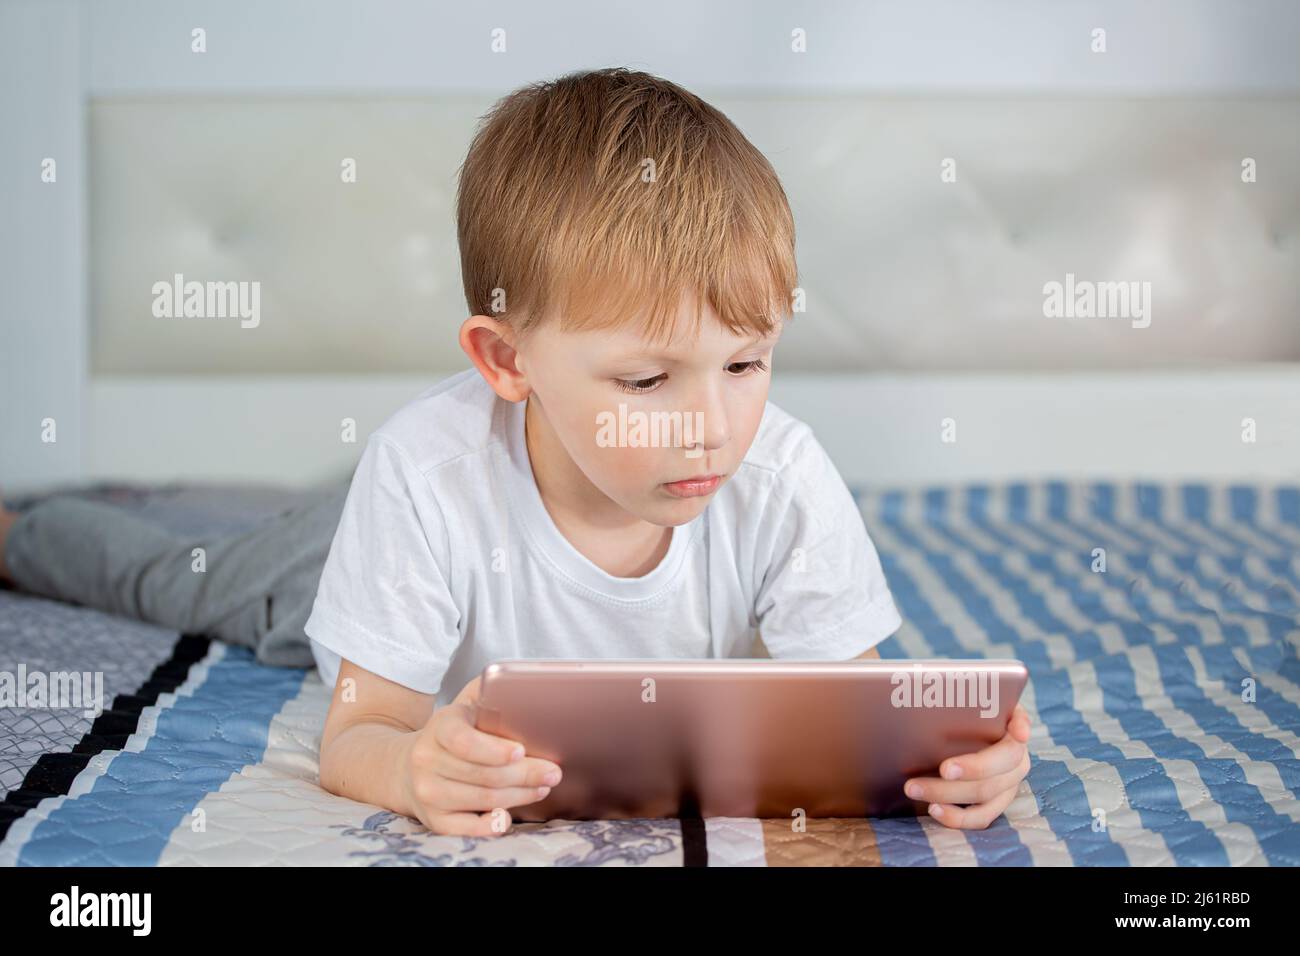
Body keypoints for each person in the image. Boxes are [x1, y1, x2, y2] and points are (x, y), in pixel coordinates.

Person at [0, 67, 1031, 837]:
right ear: (506, 359)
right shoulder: (422, 475)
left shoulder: (780, 477)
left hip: (444, 529)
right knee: (185, 576)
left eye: (746, 363)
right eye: (645, 380)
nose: (711, 425)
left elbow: (863, 712)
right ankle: (24, 528)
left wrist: (951, 763)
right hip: (357, 555)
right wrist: (406, 766)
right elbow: (361, 729)